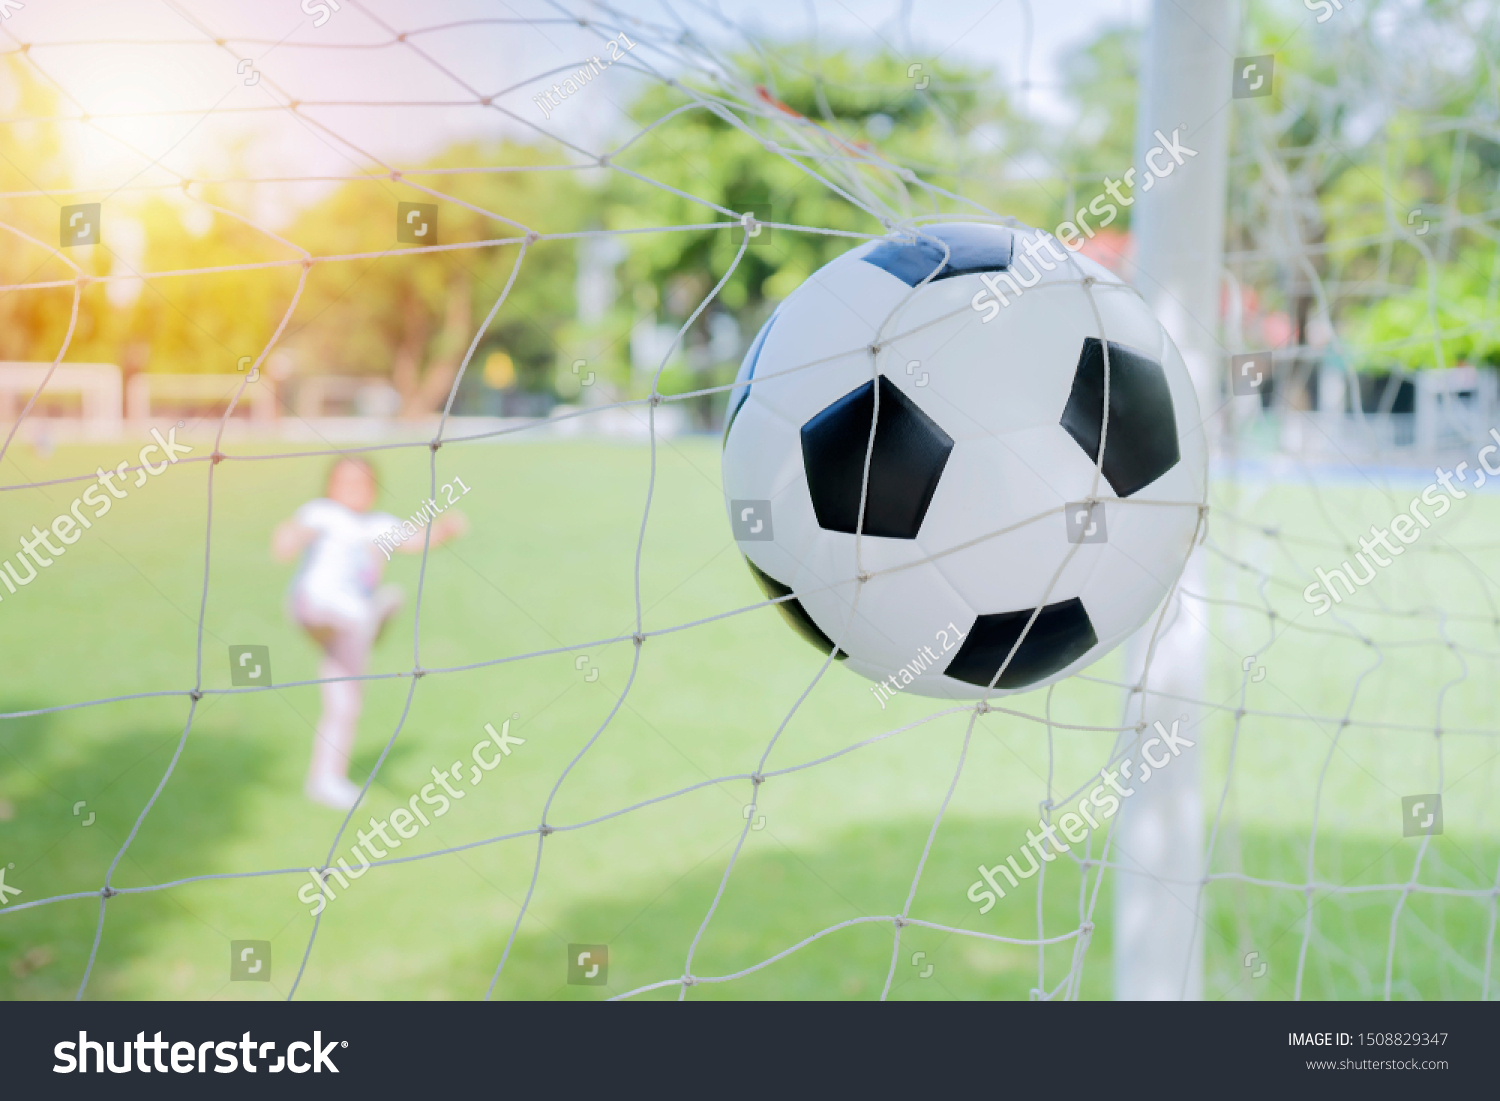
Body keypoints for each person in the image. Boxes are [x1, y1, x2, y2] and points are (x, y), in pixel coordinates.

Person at [272, 456, 467, 809]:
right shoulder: (323, 514)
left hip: (349, 623)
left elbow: (414, 541)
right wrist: (288, 537)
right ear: (329, 488)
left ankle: (326, 779)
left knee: (346, 704)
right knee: (353, 611)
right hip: (313, 607)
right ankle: (374, 617)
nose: (354, 490)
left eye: (363, 484)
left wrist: (445, 531)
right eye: (345, 483)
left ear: (375, 490)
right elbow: (298, 532)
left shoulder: (378, 525)